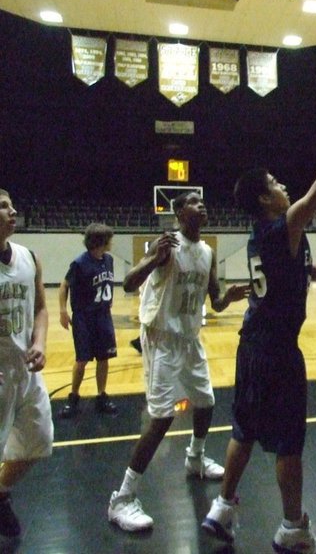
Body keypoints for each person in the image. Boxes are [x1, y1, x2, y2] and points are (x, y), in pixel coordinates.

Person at [201, 86, 316, 552]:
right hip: (277, 352)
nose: (285, 187)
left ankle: (222, 510)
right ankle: (291, 530)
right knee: (289, 444)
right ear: (266, 200)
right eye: (277, 184)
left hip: (252, 347)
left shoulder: (271, 238)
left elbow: (315, 273)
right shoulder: (282, 227)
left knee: (244, 429)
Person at [107, 191, 251, 532]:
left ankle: (195, 458)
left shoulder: (207, 253)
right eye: (193, 201)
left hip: (189, 337)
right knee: (161, 418)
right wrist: (152, 260)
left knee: (205, 402)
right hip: (161, 338)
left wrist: (226, 298)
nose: (202, 204)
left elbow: (214, 301)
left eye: (203, 201)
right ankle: (122, 498)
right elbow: (128, 284)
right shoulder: (166, 245)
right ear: (178, 212)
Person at [0, 188, 51, 538]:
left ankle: (0, 493)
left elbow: (40, 310)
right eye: (4, 207)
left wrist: (40, 342)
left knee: (39, 440)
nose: (13, 210)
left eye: (12, 204)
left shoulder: (28, 256)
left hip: (26, 370)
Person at [57, 223, 119, 419]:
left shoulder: (108, 260)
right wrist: (62, 311)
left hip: (103, 315)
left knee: (104, 357)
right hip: (84, 317)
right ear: (100, 241)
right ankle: (74, 397)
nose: (111, 242)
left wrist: (110, 300)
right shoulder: (80, 263)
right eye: (109, 238)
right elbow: (64, 286)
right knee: (82, 359)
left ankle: (101, 395)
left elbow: (107, 283)